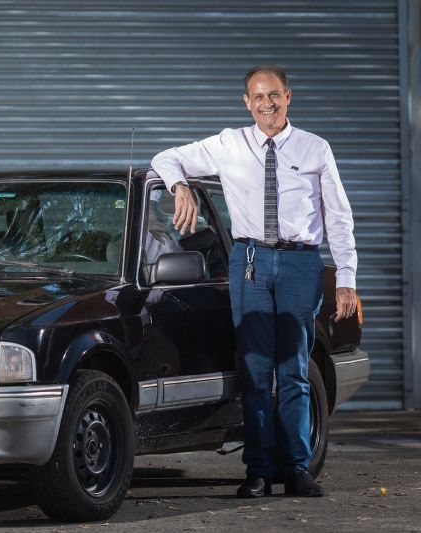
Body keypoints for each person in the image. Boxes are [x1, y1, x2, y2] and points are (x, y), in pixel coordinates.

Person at [151, 64, 358, 499]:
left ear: (288, 97)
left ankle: (297, 469)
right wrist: (179, 187)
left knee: (294, 370)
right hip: (250, 262)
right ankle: (259, 472)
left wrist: (346, 278)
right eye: (259, 96)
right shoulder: (229, 143)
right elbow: (165, 158)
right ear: (247, 102)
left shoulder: (315, 148)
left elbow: (339, 218)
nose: (267, 103)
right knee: (256, 371)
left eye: (274, 95)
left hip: (301, 263)